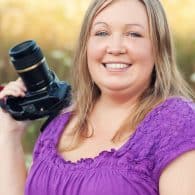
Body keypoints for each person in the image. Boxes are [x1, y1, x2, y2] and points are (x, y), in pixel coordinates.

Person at [0, 0, 195, 194]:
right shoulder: (60, 122)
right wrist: (10, 133)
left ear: (158, 49)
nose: (115, 48)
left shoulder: (177, 123)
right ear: (86, 45)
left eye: (134, 34)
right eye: (102, 33)